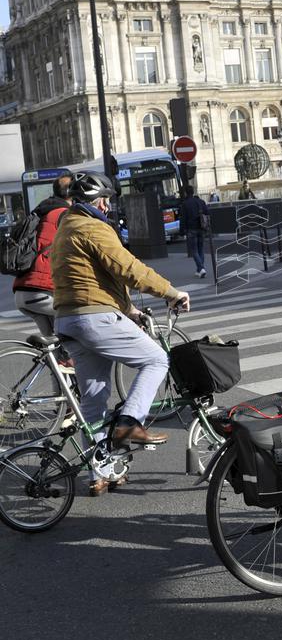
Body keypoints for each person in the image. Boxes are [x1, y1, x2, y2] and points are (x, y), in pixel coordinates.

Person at [50, 172, 191, 496]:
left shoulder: (66, 228)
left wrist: (129, 311)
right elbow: (127, 268)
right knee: (156, 360)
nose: (109, 205)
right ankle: (129, 423)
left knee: (94, 402)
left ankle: (100, 473)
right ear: (99, 201)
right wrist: (170, 292)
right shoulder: (93, 227)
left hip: (70, 319)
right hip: (94, 318)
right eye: (108, 200)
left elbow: (98, 278)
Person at [12, 173, 73, 354]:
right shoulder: (64, 215)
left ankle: (65, 377)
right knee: (81, 322)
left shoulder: (42, 210)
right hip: (42, 292)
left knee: (56, 353)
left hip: (23, 293)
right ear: (73, 193)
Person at [180, 185, 209, 278]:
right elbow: (208, 213)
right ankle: (199, 270)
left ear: (185, 193)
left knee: (194, 251)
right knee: (201, 249)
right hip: (201, 228)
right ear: (193, 192)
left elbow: (183, 218)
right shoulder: (201, 202)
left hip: (191, 229)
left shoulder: (185, 204)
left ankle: (201, 268)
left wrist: (182, 230)